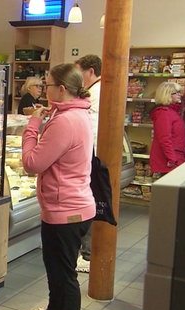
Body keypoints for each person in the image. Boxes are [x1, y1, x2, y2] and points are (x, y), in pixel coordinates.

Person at [22, 63, 95, 310]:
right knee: (57, 270)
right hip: (72, 205)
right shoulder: (77, 114)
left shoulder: (65, 121)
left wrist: (33, 125)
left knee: (64, 276)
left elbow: (32, 163)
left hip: (66, 210)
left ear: (62, 88)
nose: (44, 89)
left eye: (47, 85)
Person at [74, 54, 102, 273]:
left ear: (90, 71)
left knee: (89, 202)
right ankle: (88, 252)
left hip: (91, 156)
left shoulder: (93, 94)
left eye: (79, 71)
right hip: (92, 155)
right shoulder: (100, 91)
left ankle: (87, 254)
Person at [149, 81, 185, 178]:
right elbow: (164, 138)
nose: (179, 95)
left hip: (176, 157)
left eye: (179, 92)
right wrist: (171, 159)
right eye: (175, 93)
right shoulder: (164, 113)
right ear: (167, 95)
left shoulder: (171, 112)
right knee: (170, 191)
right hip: (169, 161)